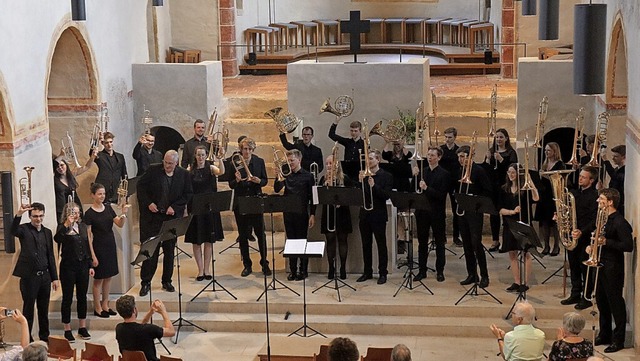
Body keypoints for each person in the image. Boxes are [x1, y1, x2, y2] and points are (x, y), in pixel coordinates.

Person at [137, 150, 193, 297]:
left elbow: (187, 194)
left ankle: (166, 281)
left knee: (169, 252)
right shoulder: (153, 170)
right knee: (151, 252)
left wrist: (174, 207)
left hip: (170, 219)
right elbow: (140, 187)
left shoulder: (184, 174)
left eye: (170, 164)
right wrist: (148, 203)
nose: (167, 166)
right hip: (153, 218)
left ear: (176, 163)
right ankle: (145, 282)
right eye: (165, 162)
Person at [591, 188, 633, 353]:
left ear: (610, 202)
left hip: (613, 267)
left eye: (601, 199)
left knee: (615, 303)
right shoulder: (603, 219)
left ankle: (618, 340)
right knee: (601, 302)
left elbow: (628, 246)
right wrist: (592, 247)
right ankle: (605, 334)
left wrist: (606, 242)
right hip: (601, 264)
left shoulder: (620, 222)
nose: (598, 201)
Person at [11, 202, 59, 343]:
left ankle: (44, 338)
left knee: (43, 310)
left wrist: (54, 278)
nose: (38, 219)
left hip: (45, 276)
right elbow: (13, 230)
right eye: (35, 216)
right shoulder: (24, 230)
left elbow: (50, 255)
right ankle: (29, 340)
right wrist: (18, 214)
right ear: (30, 216)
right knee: (28, 310)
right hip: (29, 277)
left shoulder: (47, 232)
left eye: (41, 216)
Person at [229, 138, 270, 277]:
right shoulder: (235, 162)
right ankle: (247, 265)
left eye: (249, 149)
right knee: (243, 235)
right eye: (244, 149)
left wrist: (259, 181)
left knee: (260, 234)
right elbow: (231, 184)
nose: (247, 152)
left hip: (255, 201)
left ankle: (264, 263)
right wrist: (237, 180)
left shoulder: (259, 161)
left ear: (253, 150)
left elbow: (264, 180)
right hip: (240, 202)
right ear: (241, 149)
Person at [85, 183, 128, 317]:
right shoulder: (89, 213)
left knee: (108, 277)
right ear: (92, 195)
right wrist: (93, 255)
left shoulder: (108, 208)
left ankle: (105, 304)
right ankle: (97, 308)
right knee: (98, 279)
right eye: (99, 194)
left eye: (103, 193)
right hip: (98, 246)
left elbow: (119, 224)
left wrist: (123, 215)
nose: (102, 196)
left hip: (109, 244)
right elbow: (88, 236)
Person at [274, 149, 316, 280]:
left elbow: (313, 198)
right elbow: (276, 189)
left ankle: (303, 270)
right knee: (291, 242)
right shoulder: (286, 174)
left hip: (302, 213)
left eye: (292, 160)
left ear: (299, 160)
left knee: (302, 241)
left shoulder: (308, 176)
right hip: (288, 213)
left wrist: (312, 214)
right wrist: (278, 176)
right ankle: (293, 270)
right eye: (288, 160)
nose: (290, 163)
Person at [185, 145, 225, 281]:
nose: (200, 157)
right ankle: (200, 270)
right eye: (198, 155)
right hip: (196, 208)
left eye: (203, 155)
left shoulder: (211, 168)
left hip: (209, 208)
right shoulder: (190, 170)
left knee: (208, 240)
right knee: (196, 241)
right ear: (195, 156)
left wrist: (220, 159)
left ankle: (207, 269)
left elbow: (221, 172)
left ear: (206, 155)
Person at [54, 202, 93, 341]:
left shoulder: (82, 226)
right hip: (68, 267)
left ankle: (82, 327)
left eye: (78, 212)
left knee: (82, 297)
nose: (77, 215)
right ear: (67, 214)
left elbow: (87, 246)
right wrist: (65, 225)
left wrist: (90, 265)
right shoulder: (62, 227)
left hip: (82, 266)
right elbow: (57, 239)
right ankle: (67, 328)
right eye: (74, 213)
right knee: (67, 298)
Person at [498, 164, 539, 293]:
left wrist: (530, 180)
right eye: (509, 172)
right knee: (512, 254)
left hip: (524, 224)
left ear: (519, 174)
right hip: (510, 224)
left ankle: (525, 283)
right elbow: (500, 210)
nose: (511, 175)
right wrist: (512, 212)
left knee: (526, 253)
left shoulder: (525, 190)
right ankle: (516, 281)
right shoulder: (504, 189)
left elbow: (536, 198)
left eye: (513, 172)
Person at [412, 147, 450, 282]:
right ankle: (422, 270)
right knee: (422, 243)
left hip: (436, 212)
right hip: (422, 212)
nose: (429, 157)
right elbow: (416, 191)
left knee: (439, 242)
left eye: (433, 155)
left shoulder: (444, 174)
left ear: (439, 158)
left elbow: (441, 196)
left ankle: (440, 271)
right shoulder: (423, 172)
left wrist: (427, 188)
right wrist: (415, 176)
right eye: (428, 155)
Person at [563, 166, 599, 310]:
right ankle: (575, 293)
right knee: (574, 266)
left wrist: (581, 232)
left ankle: (586, 297)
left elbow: (594, 220)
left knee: (584, 268)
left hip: (585, 237)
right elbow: (567, 212)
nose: (580, 179)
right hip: (572, 236)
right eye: (580, 176)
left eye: (584, 177)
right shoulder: (574, 194)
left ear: (591, 180)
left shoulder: (594, 196)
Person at [457, 146, 493, 288]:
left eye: (462, 156)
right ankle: (472, 274)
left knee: (476, 243)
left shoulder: (478, 171)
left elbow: (487, 190)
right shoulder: (460, 171)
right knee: (466, 244)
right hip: (463, 211)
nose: (460, 160)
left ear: (470, 156)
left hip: (475, 212)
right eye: (459, 157)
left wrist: (475, 199)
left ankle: (484, 275)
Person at [357, 149, 393, 285]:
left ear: (378, 160)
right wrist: (360, 182)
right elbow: (359, 195)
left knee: (381, 244)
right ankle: (367, 271)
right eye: (367, 159)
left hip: (378, 215)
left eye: (371, 159)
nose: (368, 161)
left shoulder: (386, 176)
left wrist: (374, 186)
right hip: (365, 215)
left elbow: (386, 195)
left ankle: (383, 273)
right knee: (366, 244)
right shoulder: (364, 175)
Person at [319, 154, 354, 280]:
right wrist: (325, 186)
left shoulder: (344, 178)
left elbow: (352, 195)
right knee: (330, 241)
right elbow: (319, 196)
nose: (328, 166)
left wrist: (342, 201)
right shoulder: (323, 179)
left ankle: (343, 268)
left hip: (342, 213)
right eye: (327, 163)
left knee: (342, 240)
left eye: (331, 163)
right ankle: (331, 268)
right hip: (328, 212)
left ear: (337, 165)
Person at [484, 128, 518, 252]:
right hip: (493, 186)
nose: (498, 139)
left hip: (506, 187)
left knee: (506, 213)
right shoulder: (491, 151)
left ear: (506, 138)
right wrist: (487, 160)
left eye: (501, 137)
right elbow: (487, 170)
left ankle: (507, 241)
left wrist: (501, 160)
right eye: (497, 137)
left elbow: (513, 170)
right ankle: (495, 241)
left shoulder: (511, 152)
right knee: (494, 214)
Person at [115, 295, 175, 361]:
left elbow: (137, 328)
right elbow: (171, 332)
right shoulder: (149, 329)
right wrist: (163, 311)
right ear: (134, 310)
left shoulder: (119, 328)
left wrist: (150, 312)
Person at [382, 139, 413, 254]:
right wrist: (388, 141)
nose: (397, 146)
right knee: (395, 213)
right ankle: (396, 238)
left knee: (403, 213)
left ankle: (403, 239)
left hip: (404, 186)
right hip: (394, 185)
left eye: (398, 144)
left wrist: (402, 143)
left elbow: (409, 155)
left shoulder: (406, 156)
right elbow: (384, 154)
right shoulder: (390, 155)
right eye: (395, 145)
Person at [536, 142, 565, 256]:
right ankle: (546, 245)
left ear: (554, 151)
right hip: (544, 195)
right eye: (545, 150)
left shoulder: (560, 164)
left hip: (554, 195)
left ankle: (556, 246)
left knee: (554, 222)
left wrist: (545, 176)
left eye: (548, 150)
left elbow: (559, 179)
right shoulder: (544, 163)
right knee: (544, 222)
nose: (546, 152)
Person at [53, 150, 95, 224]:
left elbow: (86, 167)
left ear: (66, 165)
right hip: (62, 211)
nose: (60, 168)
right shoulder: (54, 180)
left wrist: (92, 157)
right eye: (58, 166)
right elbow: (54, 164)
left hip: (75, 208)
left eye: (62, 165)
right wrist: (61, 155)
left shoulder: (71, 176)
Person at [439, 127, 462, 246]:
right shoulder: (440, 150)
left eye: (450, 137)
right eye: (446, 137)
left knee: (455, 210)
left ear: (455, 137)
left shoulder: (458, 151)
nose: (447, 140)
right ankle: (442, 236)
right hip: (442, 183)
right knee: (440, 210)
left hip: (454, 183)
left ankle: (456, 237)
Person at [94, 131, 128, 203]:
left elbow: (124, 174)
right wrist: (96, 139)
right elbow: (91, 152)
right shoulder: (99, 155)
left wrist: (125, 192)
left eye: (111, 142)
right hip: (103, 189)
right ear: (102, 143)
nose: (109, 145)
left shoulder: (120, 156)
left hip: (116, 190)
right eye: (106, 143)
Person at [601, 144, 625, 213]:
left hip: (619, 205)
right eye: (613, 156)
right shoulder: (617, 169)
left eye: (616, 156)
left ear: (624, 157)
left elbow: (615, 177)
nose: (613, 158)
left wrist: (605, 160)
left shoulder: (625, 170)